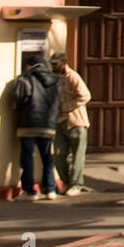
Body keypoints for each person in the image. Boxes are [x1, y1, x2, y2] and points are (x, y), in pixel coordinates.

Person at [14, 55, 61, 201]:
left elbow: (19, 98)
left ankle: (30, 191)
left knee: (27, 157)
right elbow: (59, 102)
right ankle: (50, 189)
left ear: (30, 65)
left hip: (28, 124)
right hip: (48, 125)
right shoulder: (55, 81)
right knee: (47, 157)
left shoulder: (26, 79)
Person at [51, 53, 91, 197]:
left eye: (56, 64)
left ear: (64, 62)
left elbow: (85, 96)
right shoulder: (53, 78)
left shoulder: (72, 76)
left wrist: (67, 106)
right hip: (60, 121)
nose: (53, 66)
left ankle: (76, 184)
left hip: (76, 122)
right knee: (59, 154)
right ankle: (66, 182)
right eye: (52, 64)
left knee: (77, 156)